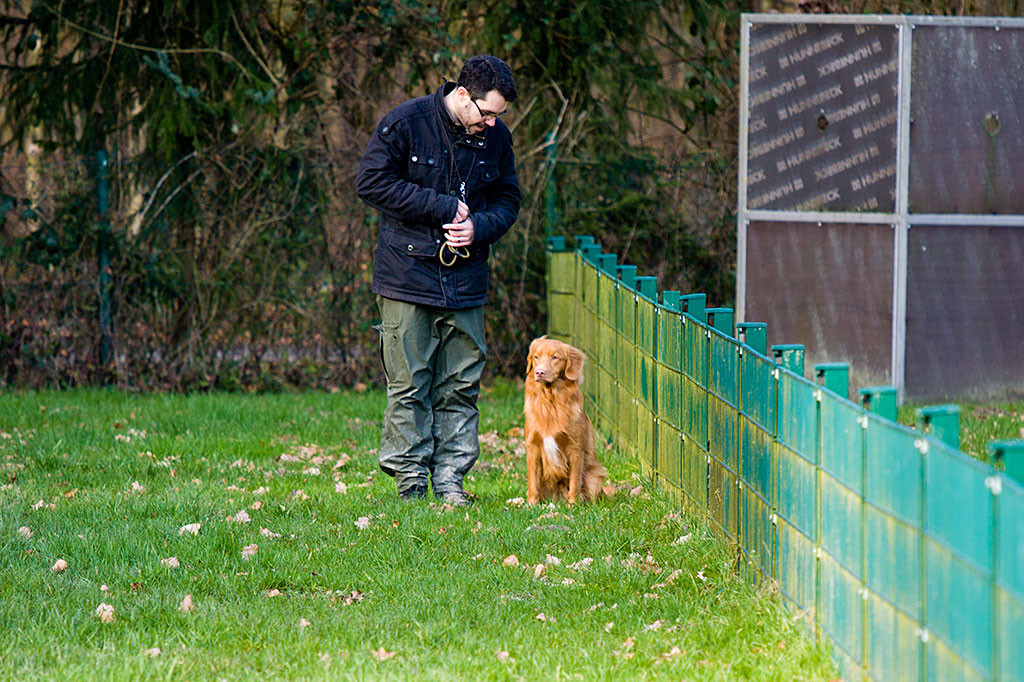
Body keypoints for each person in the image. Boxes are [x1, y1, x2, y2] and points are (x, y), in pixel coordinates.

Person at [356, 55, 520, 505]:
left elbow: (508, 201)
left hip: (466, 279)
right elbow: (370, 182)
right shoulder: (405, 123)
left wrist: (479, 227)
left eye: (499, 115)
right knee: (409, 384)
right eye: (486, 113)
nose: (491, 123)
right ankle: (410, 482)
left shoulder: (496, 138)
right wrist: (440, 207)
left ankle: (451, 481)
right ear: (463, 95)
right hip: (405, 276)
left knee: (461, 386)